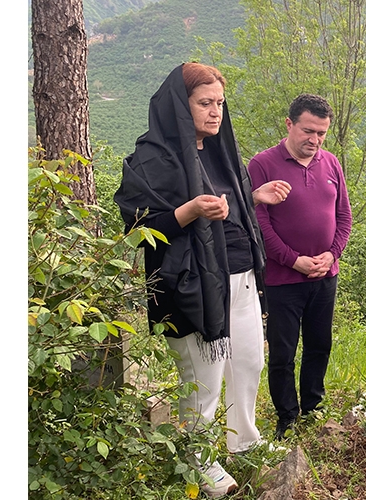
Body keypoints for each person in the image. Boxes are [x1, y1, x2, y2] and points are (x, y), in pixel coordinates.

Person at [114, 62, 292, 497]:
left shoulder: (218, 149)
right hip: (189, 286)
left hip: (240, 276)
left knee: (248, 362)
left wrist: (253, 197)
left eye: (219, 103)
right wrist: (189, 211)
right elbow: (138, 228)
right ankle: (196, 462)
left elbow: (224, 204)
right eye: (204, 103)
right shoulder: (151, 159)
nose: (215, 112)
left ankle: (243, 442)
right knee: (204, 379)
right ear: (180, 104)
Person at [247, 94, 353, 440]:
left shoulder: (331, 163)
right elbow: (260, 225)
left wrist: (332, 255)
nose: (315, 140)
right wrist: (294, 260)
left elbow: (343, 216)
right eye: (309, 131)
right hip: (282, 279)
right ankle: (286, 415)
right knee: (283, 351)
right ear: (289, 124)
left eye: (322, 133)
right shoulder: (262, 165)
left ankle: (313, 407)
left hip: (325, 275)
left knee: (320, 343)